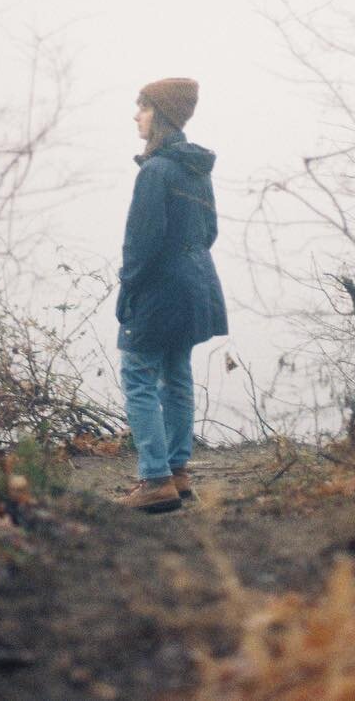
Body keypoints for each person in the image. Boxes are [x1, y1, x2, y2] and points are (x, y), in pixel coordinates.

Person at [114, 77, 228, 513]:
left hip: (159, 290)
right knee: (177, 375)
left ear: (159, 115)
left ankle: (155, 479)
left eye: (142, 107)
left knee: (138, 375)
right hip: (196, 286)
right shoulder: (196, 170)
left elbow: (141, 244)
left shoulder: (156, 171)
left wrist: (128, 289)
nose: (136, 116)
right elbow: (209, 232)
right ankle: (177, 474)